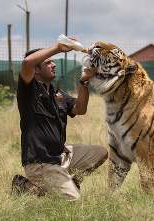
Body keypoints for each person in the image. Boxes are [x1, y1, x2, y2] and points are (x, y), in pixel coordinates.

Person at [11, 39, 108, 201]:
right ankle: (28, 186)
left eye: (53, 62)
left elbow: (80, 109)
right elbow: (27, 62)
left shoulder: (57, 93)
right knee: (74, 202)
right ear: (36, 69)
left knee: (100, 152)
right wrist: (58, 48)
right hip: (42, 163)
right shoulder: (28, 90)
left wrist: (83, 82)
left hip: (61, 156)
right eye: (48, 63)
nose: (53, 65)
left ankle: (72, 183)